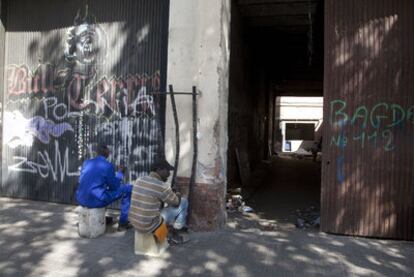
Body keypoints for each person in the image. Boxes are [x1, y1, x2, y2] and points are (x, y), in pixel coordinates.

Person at [130, 159, 189, 244]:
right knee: (183, 202)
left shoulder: (139, 180)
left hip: (134, 222)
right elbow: (176, 203)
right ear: (159, 170)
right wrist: (178, 193)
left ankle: (163, 233)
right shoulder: (161, 185)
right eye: (167, 170)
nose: (169, 174)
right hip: (148, 225)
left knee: (158, 210)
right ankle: (175, 230)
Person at [76, 144, 133, 231]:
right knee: (128, 189)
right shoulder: (107, 165)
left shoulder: (86, 162)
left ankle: (102, 218)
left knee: (101, 190)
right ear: (107, 153)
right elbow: (115, 187)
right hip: (95, 201)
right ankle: (123, 223)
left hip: (81, 199)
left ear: (97, 153)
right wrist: (120, 173)